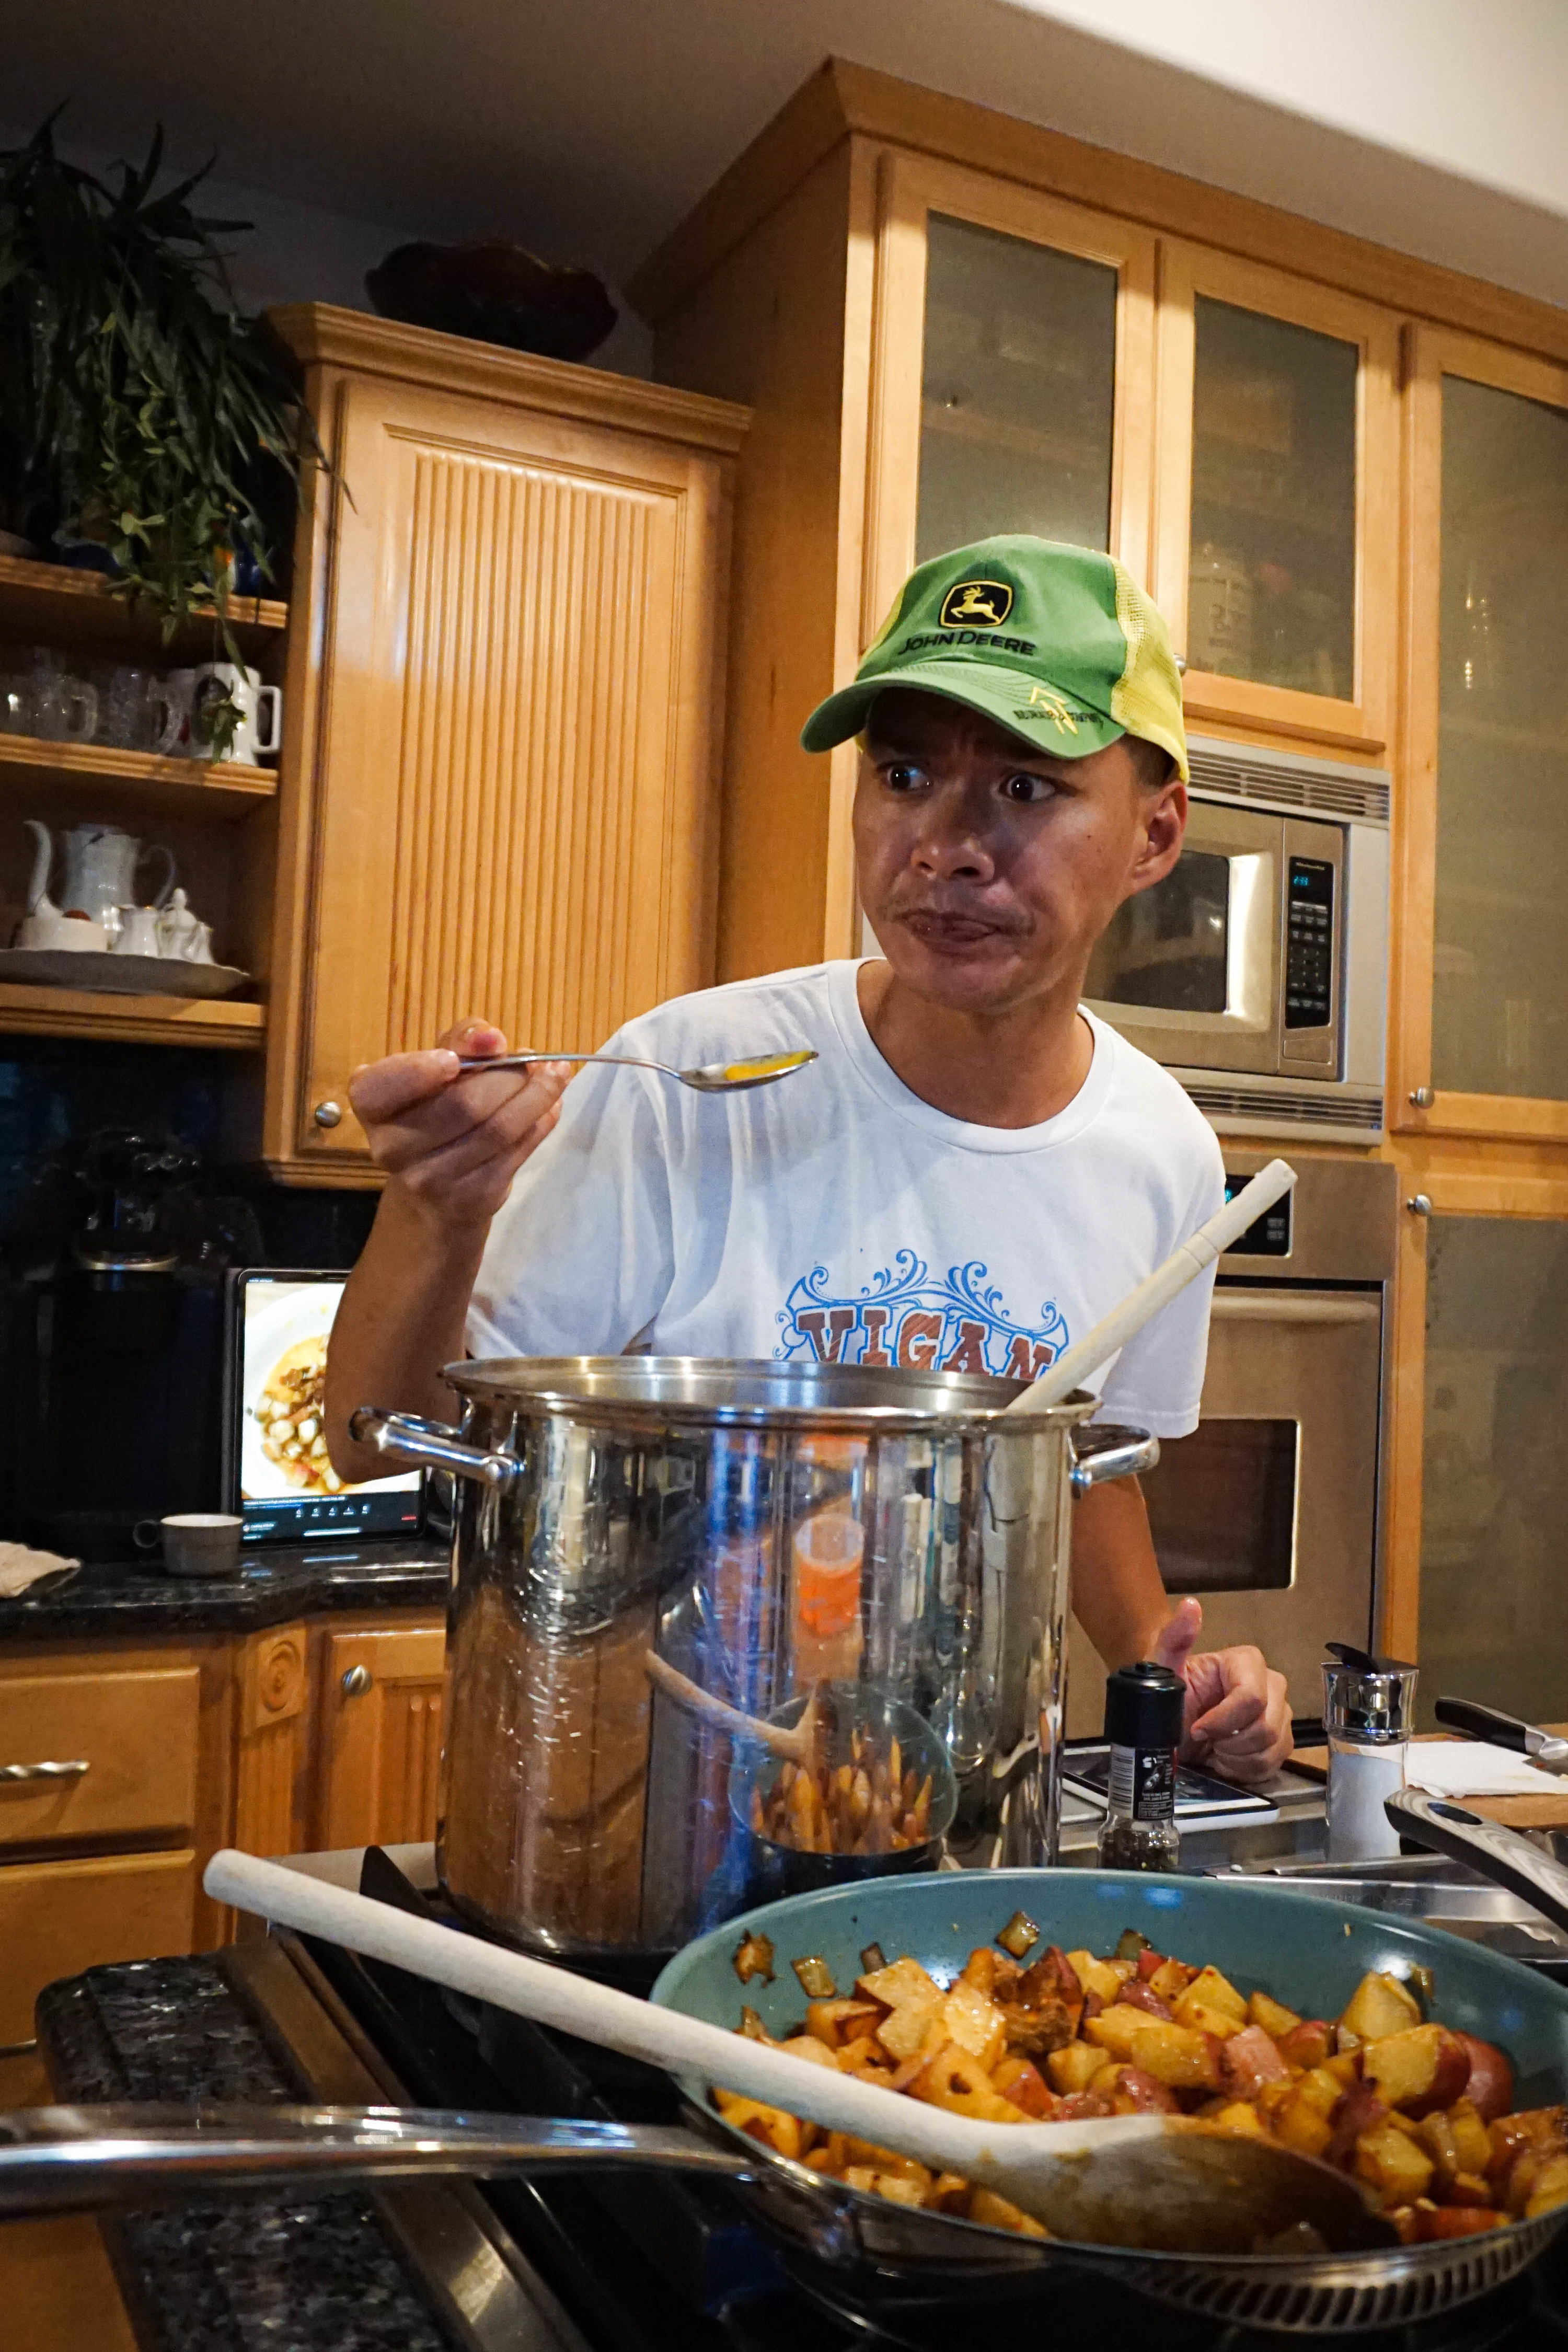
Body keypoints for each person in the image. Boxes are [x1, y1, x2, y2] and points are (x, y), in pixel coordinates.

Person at [326, 534, 1293, 1783]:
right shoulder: (690, 1076)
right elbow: (381, 1441)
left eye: (1025, 787)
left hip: (956, 1817)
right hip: (641, 1813)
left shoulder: (1162, 1151)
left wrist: (1175, 1677)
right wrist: (435, 1214)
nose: (945, 844)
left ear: (1156, 836)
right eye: (903, 774)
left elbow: (1084, 1472)